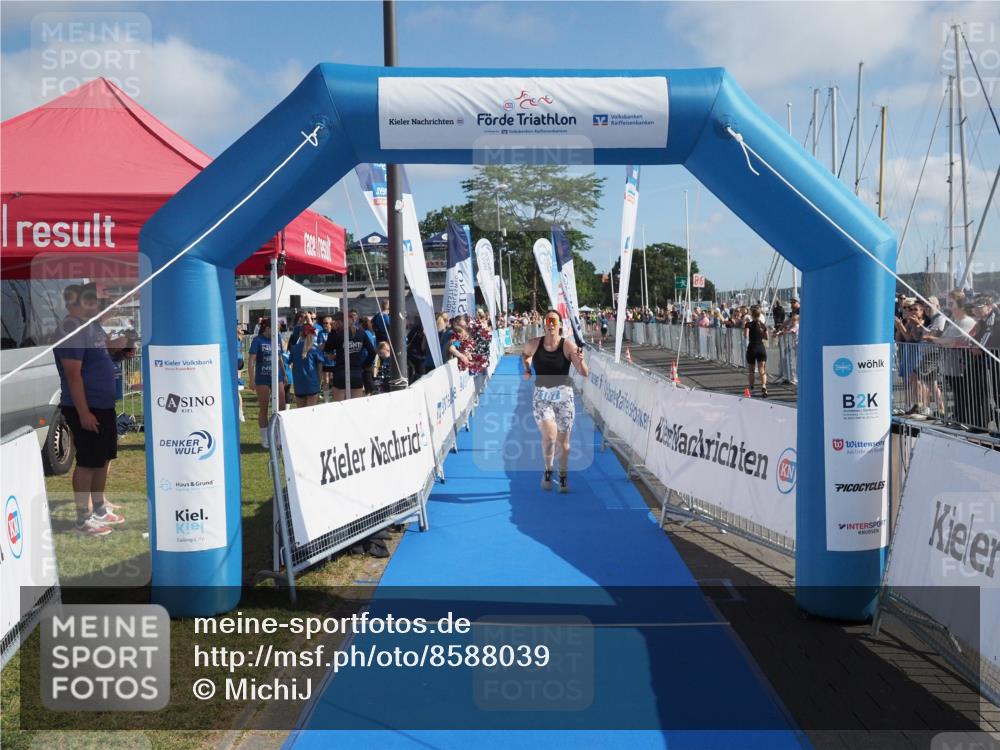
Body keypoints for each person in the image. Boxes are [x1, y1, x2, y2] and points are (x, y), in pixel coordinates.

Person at [54, 283, 129, 536]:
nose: (96, 306)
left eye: (96, 302)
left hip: (103, 404)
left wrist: (119, 352)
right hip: (86, 405)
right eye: (90, 302)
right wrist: (84, 412)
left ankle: (98, 509)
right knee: (87, 461)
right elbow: (74, 375)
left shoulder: (91, 325)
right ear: (73, 303)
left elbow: (102, 355)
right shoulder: (71, 330)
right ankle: (83, 519)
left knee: (103, 457)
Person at [521, 309, 589, 493]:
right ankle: (548, 470)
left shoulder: (568, 346)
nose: (551, 324)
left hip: (564, 398)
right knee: (550, 436)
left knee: (564, 444)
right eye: (548, 321)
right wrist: (527, 368)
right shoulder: (534, 344)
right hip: (542, 397)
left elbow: (584, 373)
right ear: (544, 324)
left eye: (554, 321)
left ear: (560, 325)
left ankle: (563, 474)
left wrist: (581, 361)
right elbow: (524, 354)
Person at [248, 318, 285, 448]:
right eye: (276, 328)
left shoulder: (278, 338)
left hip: (277, 376)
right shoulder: (257, 340)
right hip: (262, 377)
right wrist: (251, 379)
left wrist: (285, 374)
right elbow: (251, 361)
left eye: (279, 329)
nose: (278, 331)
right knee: (264, 406)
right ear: (268, 328)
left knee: (281, 406)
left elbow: (280, 357)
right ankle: (265, 438)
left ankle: (277, 436)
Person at [324, 314, 376, 400]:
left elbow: (327, 349)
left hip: (341, 372)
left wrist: (332, 331)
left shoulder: (338, 335)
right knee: (355, 407)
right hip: (356, 373)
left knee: (340, 406)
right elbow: (372, 352)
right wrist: (363, 366)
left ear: (339, 322)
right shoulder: (361, 333)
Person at [290, 324, 325, 407]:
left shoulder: (294, 348)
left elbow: (291, 365)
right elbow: (320, 369)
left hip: (299, 385)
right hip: (312, 384)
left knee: (301, 415)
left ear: (301, 334)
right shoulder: (315, 349)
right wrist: (319, 384)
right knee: (311, 415)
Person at [743, 305, 768, 397]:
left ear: (752, 315)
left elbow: (746, 335)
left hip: (752, 347)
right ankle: (764, 385)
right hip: (761, 347)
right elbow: (766, 337)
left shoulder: (748, 324)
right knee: (762, 369)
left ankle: (751, 387)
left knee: (751, 370)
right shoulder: (763, 325)